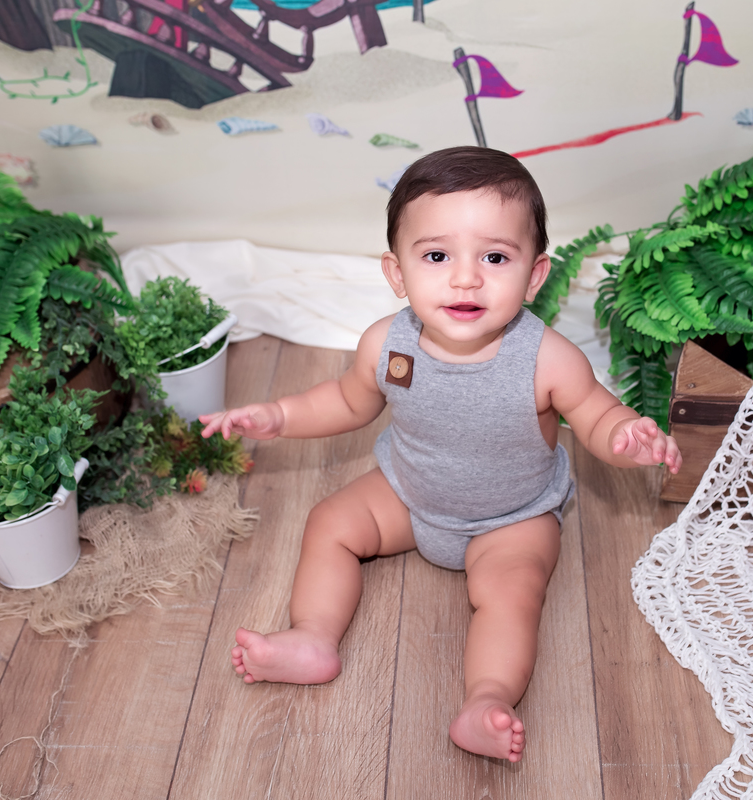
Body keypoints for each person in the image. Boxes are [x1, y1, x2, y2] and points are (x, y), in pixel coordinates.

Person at [200, 146, 682, 763]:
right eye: (436, 256)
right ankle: (312, 637)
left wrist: (625, 437)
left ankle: (486, 698)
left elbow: (595, 413)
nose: (465, 279)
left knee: (512, 594)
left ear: (535, 275)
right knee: (329, 523)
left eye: (494, 257)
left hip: (513, 517)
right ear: (397, 273)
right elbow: (346, 402)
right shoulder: (387, 344)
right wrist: (280, 416)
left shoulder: (548, 359)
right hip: (408, 494)